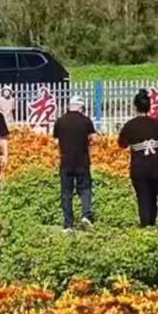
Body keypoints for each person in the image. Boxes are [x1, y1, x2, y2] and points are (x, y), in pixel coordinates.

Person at [116, 89, 158, 227]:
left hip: (139, 169)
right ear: (149, 107)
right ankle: (151, 224)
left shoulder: (130, 125)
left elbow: (122, 144)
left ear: (135, 107)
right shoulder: (157, 124)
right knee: (153, 197)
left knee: (142, 197)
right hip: (156, 168)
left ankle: (145, 225)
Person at [54, 94, 97, 229]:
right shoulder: (86, 121)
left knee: (66, 192)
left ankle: (68, 224)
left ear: (69, 106)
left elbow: (56, 141)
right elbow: (94, 139)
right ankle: (86, 215)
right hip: (82, 161)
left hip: (66, 162)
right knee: (85, 189)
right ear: (81, 107)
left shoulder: (60, 121)